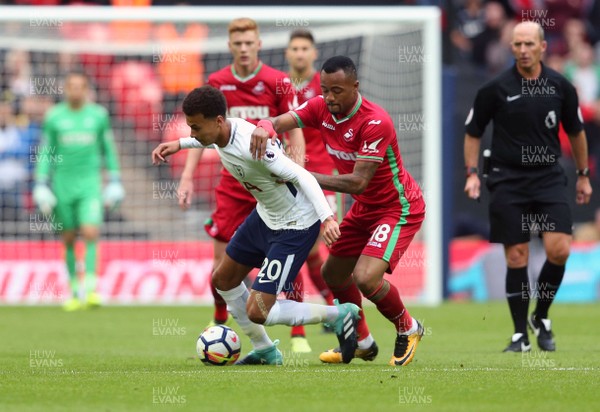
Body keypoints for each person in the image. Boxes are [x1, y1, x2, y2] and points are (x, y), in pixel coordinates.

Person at [151, 85, 359, 365]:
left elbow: (302, 176)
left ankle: (338, 315)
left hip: (295, 225)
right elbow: (209, 140)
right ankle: (265, 350)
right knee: (222, 280)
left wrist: (327, 218)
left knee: (258, 311)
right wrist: (181, 145)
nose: (193, 133)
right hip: (266, 216)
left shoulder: (254, 146)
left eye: (195, 128)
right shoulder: (220, 133)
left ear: (218, 122)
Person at [250, 56, 426, 366]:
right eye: (325, 89)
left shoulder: (375, 122)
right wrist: (265, 124)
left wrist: (300, 175)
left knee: (366, 278)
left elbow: (358, 182)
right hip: (365, 208)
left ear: (355, 87)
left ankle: (408, 327)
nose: (329, 97)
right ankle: (363, 341)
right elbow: (282, 121)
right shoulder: (320, 107)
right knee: (332, 272)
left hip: (397, 207)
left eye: (337, 91)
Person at [175, 18, 307, 351]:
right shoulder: (217, 83)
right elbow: (200, 135)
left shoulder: (277, 82)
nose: (244, 48)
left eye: (249, 42)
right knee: (221, 260)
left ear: (259, 44)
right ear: (230, 46)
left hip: (270, 183)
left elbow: (295, 128)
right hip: (234, 185)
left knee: (286, 251)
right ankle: (220, 317)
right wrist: (187, 176)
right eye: (238, 43)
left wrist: (298, 166)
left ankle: (298, 334)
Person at [463, 22, 593, 352]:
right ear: (512, 47)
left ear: (543, 47)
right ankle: (520, 334)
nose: (523, 49)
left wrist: (583, 174)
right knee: (517, 255)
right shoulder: (495, 89)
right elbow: (473, 131)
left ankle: (542, 315)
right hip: (507, 180)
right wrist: (472, 173)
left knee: (559, 249)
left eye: (529, 44)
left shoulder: (561, 86)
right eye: (517, 44)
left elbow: (577, 133)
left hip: (548, 177)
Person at [33, 72, 125, 311]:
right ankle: (74, 290)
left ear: (86, 89)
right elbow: (46, 151)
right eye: (71, 86)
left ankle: (92, 289)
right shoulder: (54, 117)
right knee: (69, 237)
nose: (75, 90)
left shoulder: (98, 115)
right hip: (62, 184)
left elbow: (108, 148)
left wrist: (115, 178)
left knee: (90, 231)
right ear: (65, 89)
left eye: (80, 86)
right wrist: (41, 182)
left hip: (89, 184)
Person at [284, 29, 338, 340]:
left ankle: (334, 306)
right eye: (295, 48)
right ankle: (315, 315)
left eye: (305, 48)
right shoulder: (280, 86)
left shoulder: (326, 87)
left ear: (314, 53)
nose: (300, 53)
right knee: (302, 250)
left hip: (325, 178)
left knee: (322, 249)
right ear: (288, 53)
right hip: (290, 178)